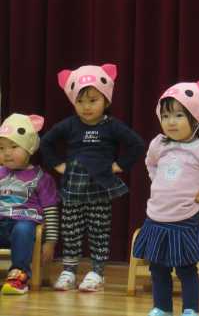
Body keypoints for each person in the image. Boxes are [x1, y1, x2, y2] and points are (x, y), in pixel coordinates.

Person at [133, 80, 199, 316]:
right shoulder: (159, 144)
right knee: (158, 268)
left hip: (185, 219)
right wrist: (159, 182)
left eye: (179, 115)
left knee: (186, 269)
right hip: (156, 218)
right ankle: (161, 308)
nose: (171, 122)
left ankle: (190, 309)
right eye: (165, 115)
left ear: (196, 117)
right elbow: (150, 163)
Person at [40, 64, 145, 292]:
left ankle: (97, 272)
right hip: (73, 187)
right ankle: (69, 270)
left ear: (106, 100)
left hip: (100, 187)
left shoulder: (112, 125)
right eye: (80, 101)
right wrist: (58, 165)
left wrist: (119, 165)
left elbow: (137, 144)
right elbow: (45, 142)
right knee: (71, 230)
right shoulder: (69, 125)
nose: (86, 107)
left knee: (99, 231)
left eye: (93, 100)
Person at [0, 113, 59, 294]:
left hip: (24, 226)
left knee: (23, 228)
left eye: (14, 146)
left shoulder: (41, 178)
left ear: (29, 148)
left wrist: (50, 242)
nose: (7, 153)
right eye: (1, 148)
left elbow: (51, 211)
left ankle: (19, 274)